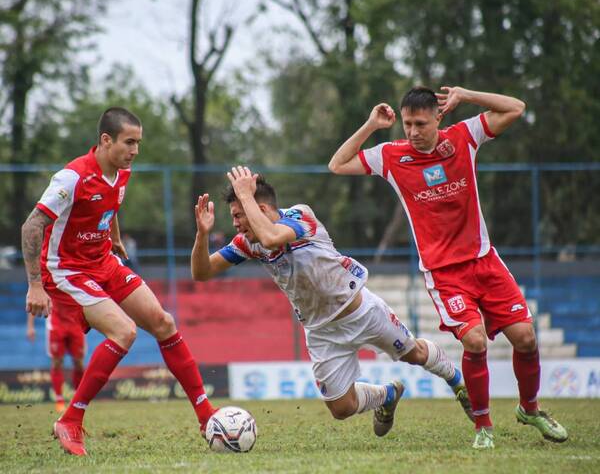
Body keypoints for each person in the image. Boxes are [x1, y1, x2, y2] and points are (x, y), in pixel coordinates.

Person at [328, 86, 568, 448]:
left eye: (420, 123)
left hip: (484, 260)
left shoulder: (463, 136)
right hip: (444, 273)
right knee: (474, 340)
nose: (412, 131)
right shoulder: (392, 156)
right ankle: (483, 427)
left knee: (526, 337)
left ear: (439, 118)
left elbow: (516, 108)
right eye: (407, 124)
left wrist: (466, 95)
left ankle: (530, 409)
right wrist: (371, 125)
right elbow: (337, 164)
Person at [191, 166, 474, 438]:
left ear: (261, 209)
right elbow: (201, 273)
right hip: (320, 331)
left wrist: (246, 197)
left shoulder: (300, 216)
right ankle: (387, 395)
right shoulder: (246, 242)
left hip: (360, 312)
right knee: (342, 408)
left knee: (416, 355)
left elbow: (272, 237)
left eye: (238, 215)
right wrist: (203, 234)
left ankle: (458, 382)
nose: (236, 224)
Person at [21, 107, 216, 456]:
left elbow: (109, 207)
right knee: (123, 331)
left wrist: (115, 237)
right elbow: (32, 226)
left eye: (138, 143)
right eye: (130, 142)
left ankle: (206, 416)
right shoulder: (72, 177)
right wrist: (35, 284)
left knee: (163, 322)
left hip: (104, 261)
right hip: (67, 270)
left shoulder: (122, 172)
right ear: (106, 140)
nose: (135, 151)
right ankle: (70, 420)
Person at [26, 302, 86, 413]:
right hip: (56, 326)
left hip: (76, 324)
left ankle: (78, 400)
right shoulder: (48, 284)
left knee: (78, 363)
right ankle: (59, 401)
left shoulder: (77, 284)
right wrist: (30, 326)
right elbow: (35, 299)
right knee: (57, 362)